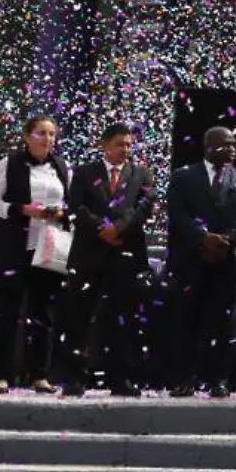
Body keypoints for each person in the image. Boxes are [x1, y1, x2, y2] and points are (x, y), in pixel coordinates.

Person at [55, 122, 156, 398]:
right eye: (119, 144)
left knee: (122, 317)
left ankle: (120, 377)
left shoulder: (142, 173)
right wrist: (102, 229)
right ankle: (75, 377)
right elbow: (77, 206)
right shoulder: (85, 173)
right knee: (79, 316)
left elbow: (144, 207)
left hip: (125, 254)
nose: (125, 149)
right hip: (89, 253)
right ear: (105, 145)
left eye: (128, 144)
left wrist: (119, 228)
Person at [0, 115, 70, 395]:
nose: (48, 139)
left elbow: (70, 202)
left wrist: (62, 213)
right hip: (15, 247)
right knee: (8, 312)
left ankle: (39, 374)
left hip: (49, 246)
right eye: (41, 133)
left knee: (42, 313)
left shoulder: (61, 166)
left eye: (52, 134)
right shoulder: (10, 164)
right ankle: (0, 374)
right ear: (27, 136)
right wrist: (21, 209)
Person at [165, 126, 236, 398]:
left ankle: (220, 379)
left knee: (225, 323)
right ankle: (186, 378)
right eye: (224, 144)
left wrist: (225, 239)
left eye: (233, 145)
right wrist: (204, 238)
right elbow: (178, 213)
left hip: (227, 260)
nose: (231, 149)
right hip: (193, 259)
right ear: (208, 147)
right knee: (189, 321)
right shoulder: (183, 176)